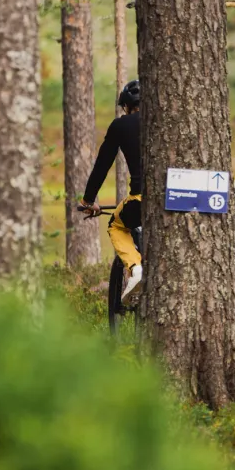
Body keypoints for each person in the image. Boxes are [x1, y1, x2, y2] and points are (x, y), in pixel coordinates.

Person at [78, 79, 144, 303]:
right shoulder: (166, 123)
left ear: (126, 106)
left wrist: (88, 200)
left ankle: (136, 269)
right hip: (177, 199)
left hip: (140, 200)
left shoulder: (120, 125)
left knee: (116, 225)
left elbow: (102, 166)